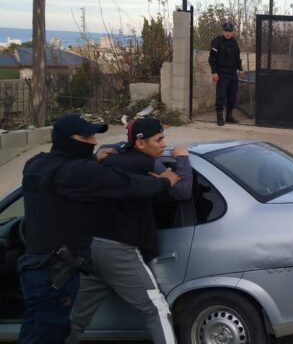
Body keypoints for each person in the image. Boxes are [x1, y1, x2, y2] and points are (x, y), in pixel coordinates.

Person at [17, 114, 178, 344]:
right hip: (56, 274)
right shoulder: (79, 173)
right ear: (66, 139)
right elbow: (128, 184)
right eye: (85, 136)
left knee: (43, 330)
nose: (93, 140)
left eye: (93, 134)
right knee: (48, 334)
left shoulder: (36, 164)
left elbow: (65, 179)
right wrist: (165, 182)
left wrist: (94, 159)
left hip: (36, 269)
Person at [67, 118, 192, 344]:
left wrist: (101, 154)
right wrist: (182, 159)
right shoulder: (145, 165)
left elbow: (110, 153)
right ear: (141, 144)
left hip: (92, 248)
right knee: (156, 309)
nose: (164, 144)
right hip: (120, 250)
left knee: (76, 318)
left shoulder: (111, 160)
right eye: (159, 139)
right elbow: (183, 190)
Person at [209, 22, 244, 126]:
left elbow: (237, 58)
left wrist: (240, 69)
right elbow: (212, 58)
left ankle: (229, 116)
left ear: (232, 32)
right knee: (221, 95)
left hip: (233, 73)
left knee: (232, 95)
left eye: (230, 31)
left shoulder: (234, 42)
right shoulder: (217, 41)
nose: (228, 33)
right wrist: (214, 72)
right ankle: (219, 116)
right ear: (223, 31)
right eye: (226, 31)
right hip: (222, 73)